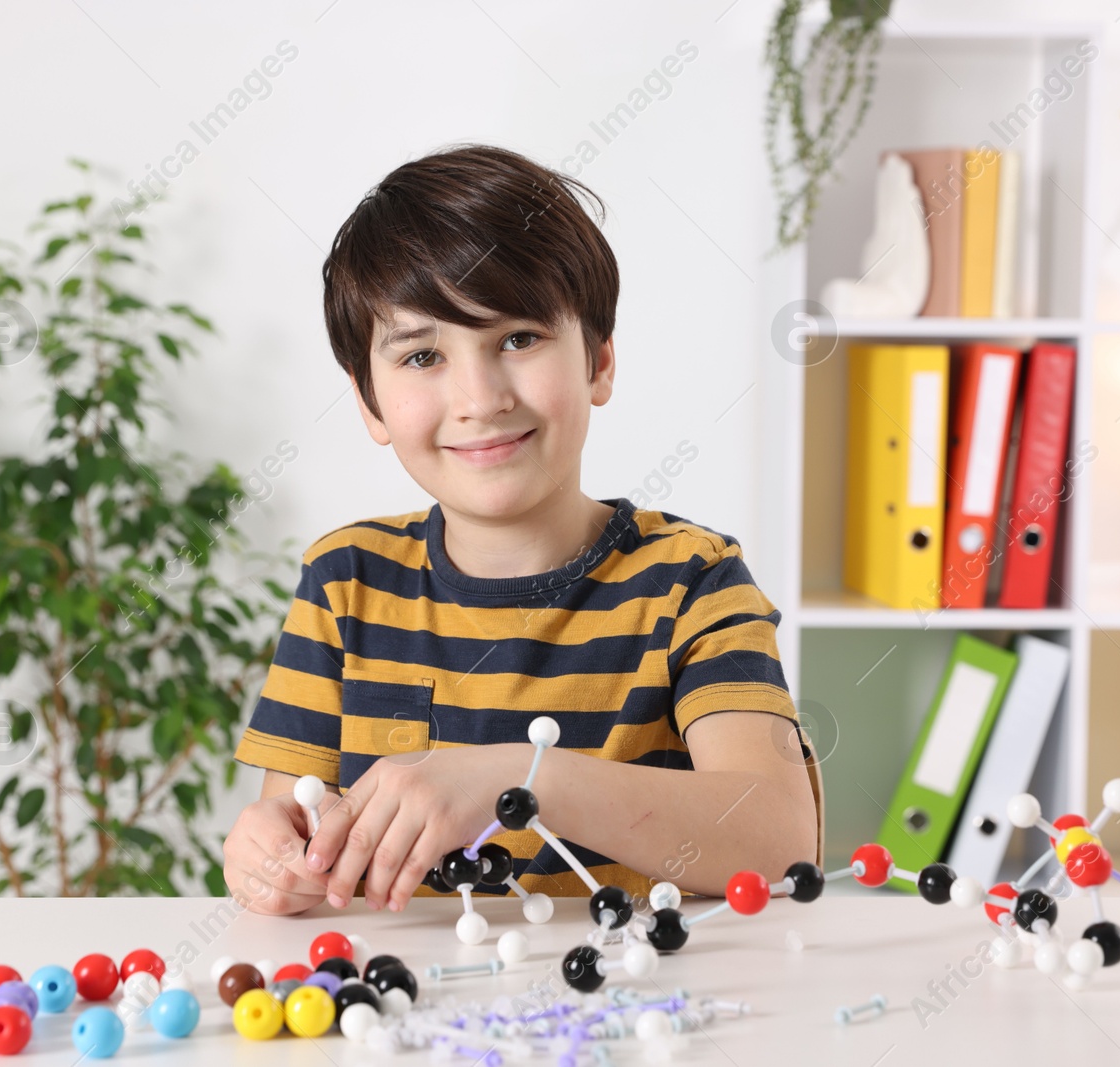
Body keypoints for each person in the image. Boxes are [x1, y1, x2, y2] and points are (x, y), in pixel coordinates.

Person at [222, 143, 822, 917]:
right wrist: (273, 857)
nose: (480, 397)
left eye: (518, 339)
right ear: (370, 403)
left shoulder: (696, 582)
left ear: (599, 360)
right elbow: (298, 832)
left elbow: (778, 840)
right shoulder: (345, 581)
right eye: (423, 354)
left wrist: (523, 777)